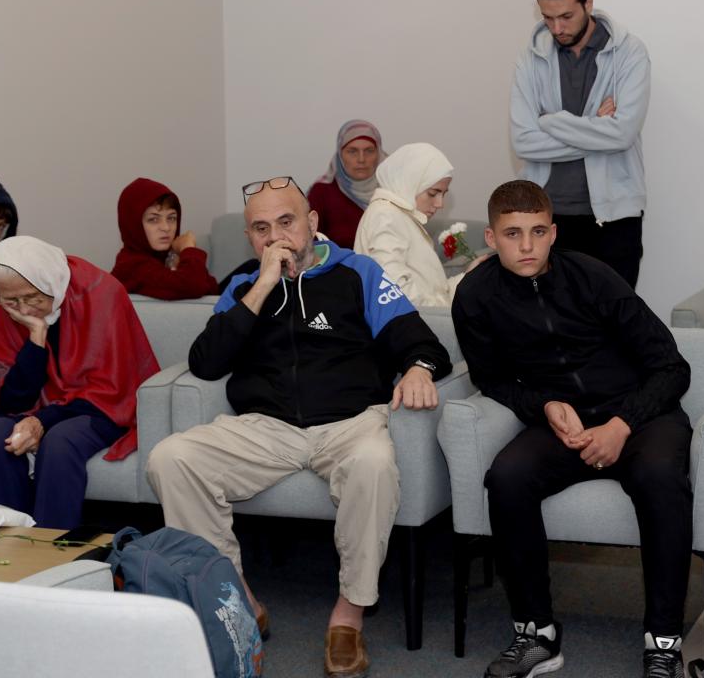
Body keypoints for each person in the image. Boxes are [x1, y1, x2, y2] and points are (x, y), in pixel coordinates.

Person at [145, 176, 452, 678]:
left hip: (350, 423)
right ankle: (239, 599)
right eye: (261, 228)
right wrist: (263, 285)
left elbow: (422, 343)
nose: (276, 237)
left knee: (374, 464)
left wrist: (418, 368)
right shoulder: (243, 287)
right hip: (265, 427)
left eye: (286, 222)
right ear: (250, 237)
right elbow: (206, 362)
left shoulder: (359, 272)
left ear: (311, 222)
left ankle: (349, 615)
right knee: (171, 458)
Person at [453, 180, 692, 678]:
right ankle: (536, 635)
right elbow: (491, 379)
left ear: (554, 233)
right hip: (563, 423)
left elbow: (672, 368)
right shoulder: (475, 296)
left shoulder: (594, 276)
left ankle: (664, 642)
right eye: (513, 233)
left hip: (640, 415)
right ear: (491, 238)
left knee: (660, 478)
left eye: (538, 232)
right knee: (508, 477)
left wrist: (621, 425)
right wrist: (544, 406)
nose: (527, 246)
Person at [0, 236, 159, 529]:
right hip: (42, 409)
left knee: (61, 440)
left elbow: (110, 389)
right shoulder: (5, 314)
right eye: (11, 300)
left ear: (50, 282)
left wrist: (42, 422)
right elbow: (13, 402)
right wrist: (36, 338)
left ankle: (51, 549)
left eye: (32, 297)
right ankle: (5, 543)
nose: (23, 310)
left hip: (105, 407)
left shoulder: (101, 294)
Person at [510, 0, 651, 287]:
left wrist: (551, 121)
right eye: (547, 18)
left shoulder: (629, 53)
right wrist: (594, 126)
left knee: (613, 315)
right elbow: (524, 142)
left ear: (588, 3)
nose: (557, 28)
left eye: (566, 16)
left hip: (615, 218)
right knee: (548, 314)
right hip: (546, 217)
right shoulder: (529, 59)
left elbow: (622, 134)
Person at [353, 143, 484, 308]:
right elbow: (396, 294)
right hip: (413, 321)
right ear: (410, 183)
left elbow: (432, 291)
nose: (440, 204)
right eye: (433, 193)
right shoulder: (385, 215)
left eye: (443, 194)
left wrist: (468, 278)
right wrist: (441, 313)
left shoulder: (400, 215)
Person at [111, 177, 219, 300]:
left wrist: (178, 261)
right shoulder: (131, 266)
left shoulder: (166, 257)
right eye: (153, 219)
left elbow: (212, 288)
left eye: (171, 218)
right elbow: (193, 285)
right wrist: (188, 248)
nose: (166, 227)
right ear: (133, 225)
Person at [309, 119, 388, 248]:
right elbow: (310, 243)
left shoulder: (392, 190)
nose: (361, 159)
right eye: (352, 151)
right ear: (340, 155)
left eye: (369, 151)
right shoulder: (322, 193)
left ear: (379, 154)